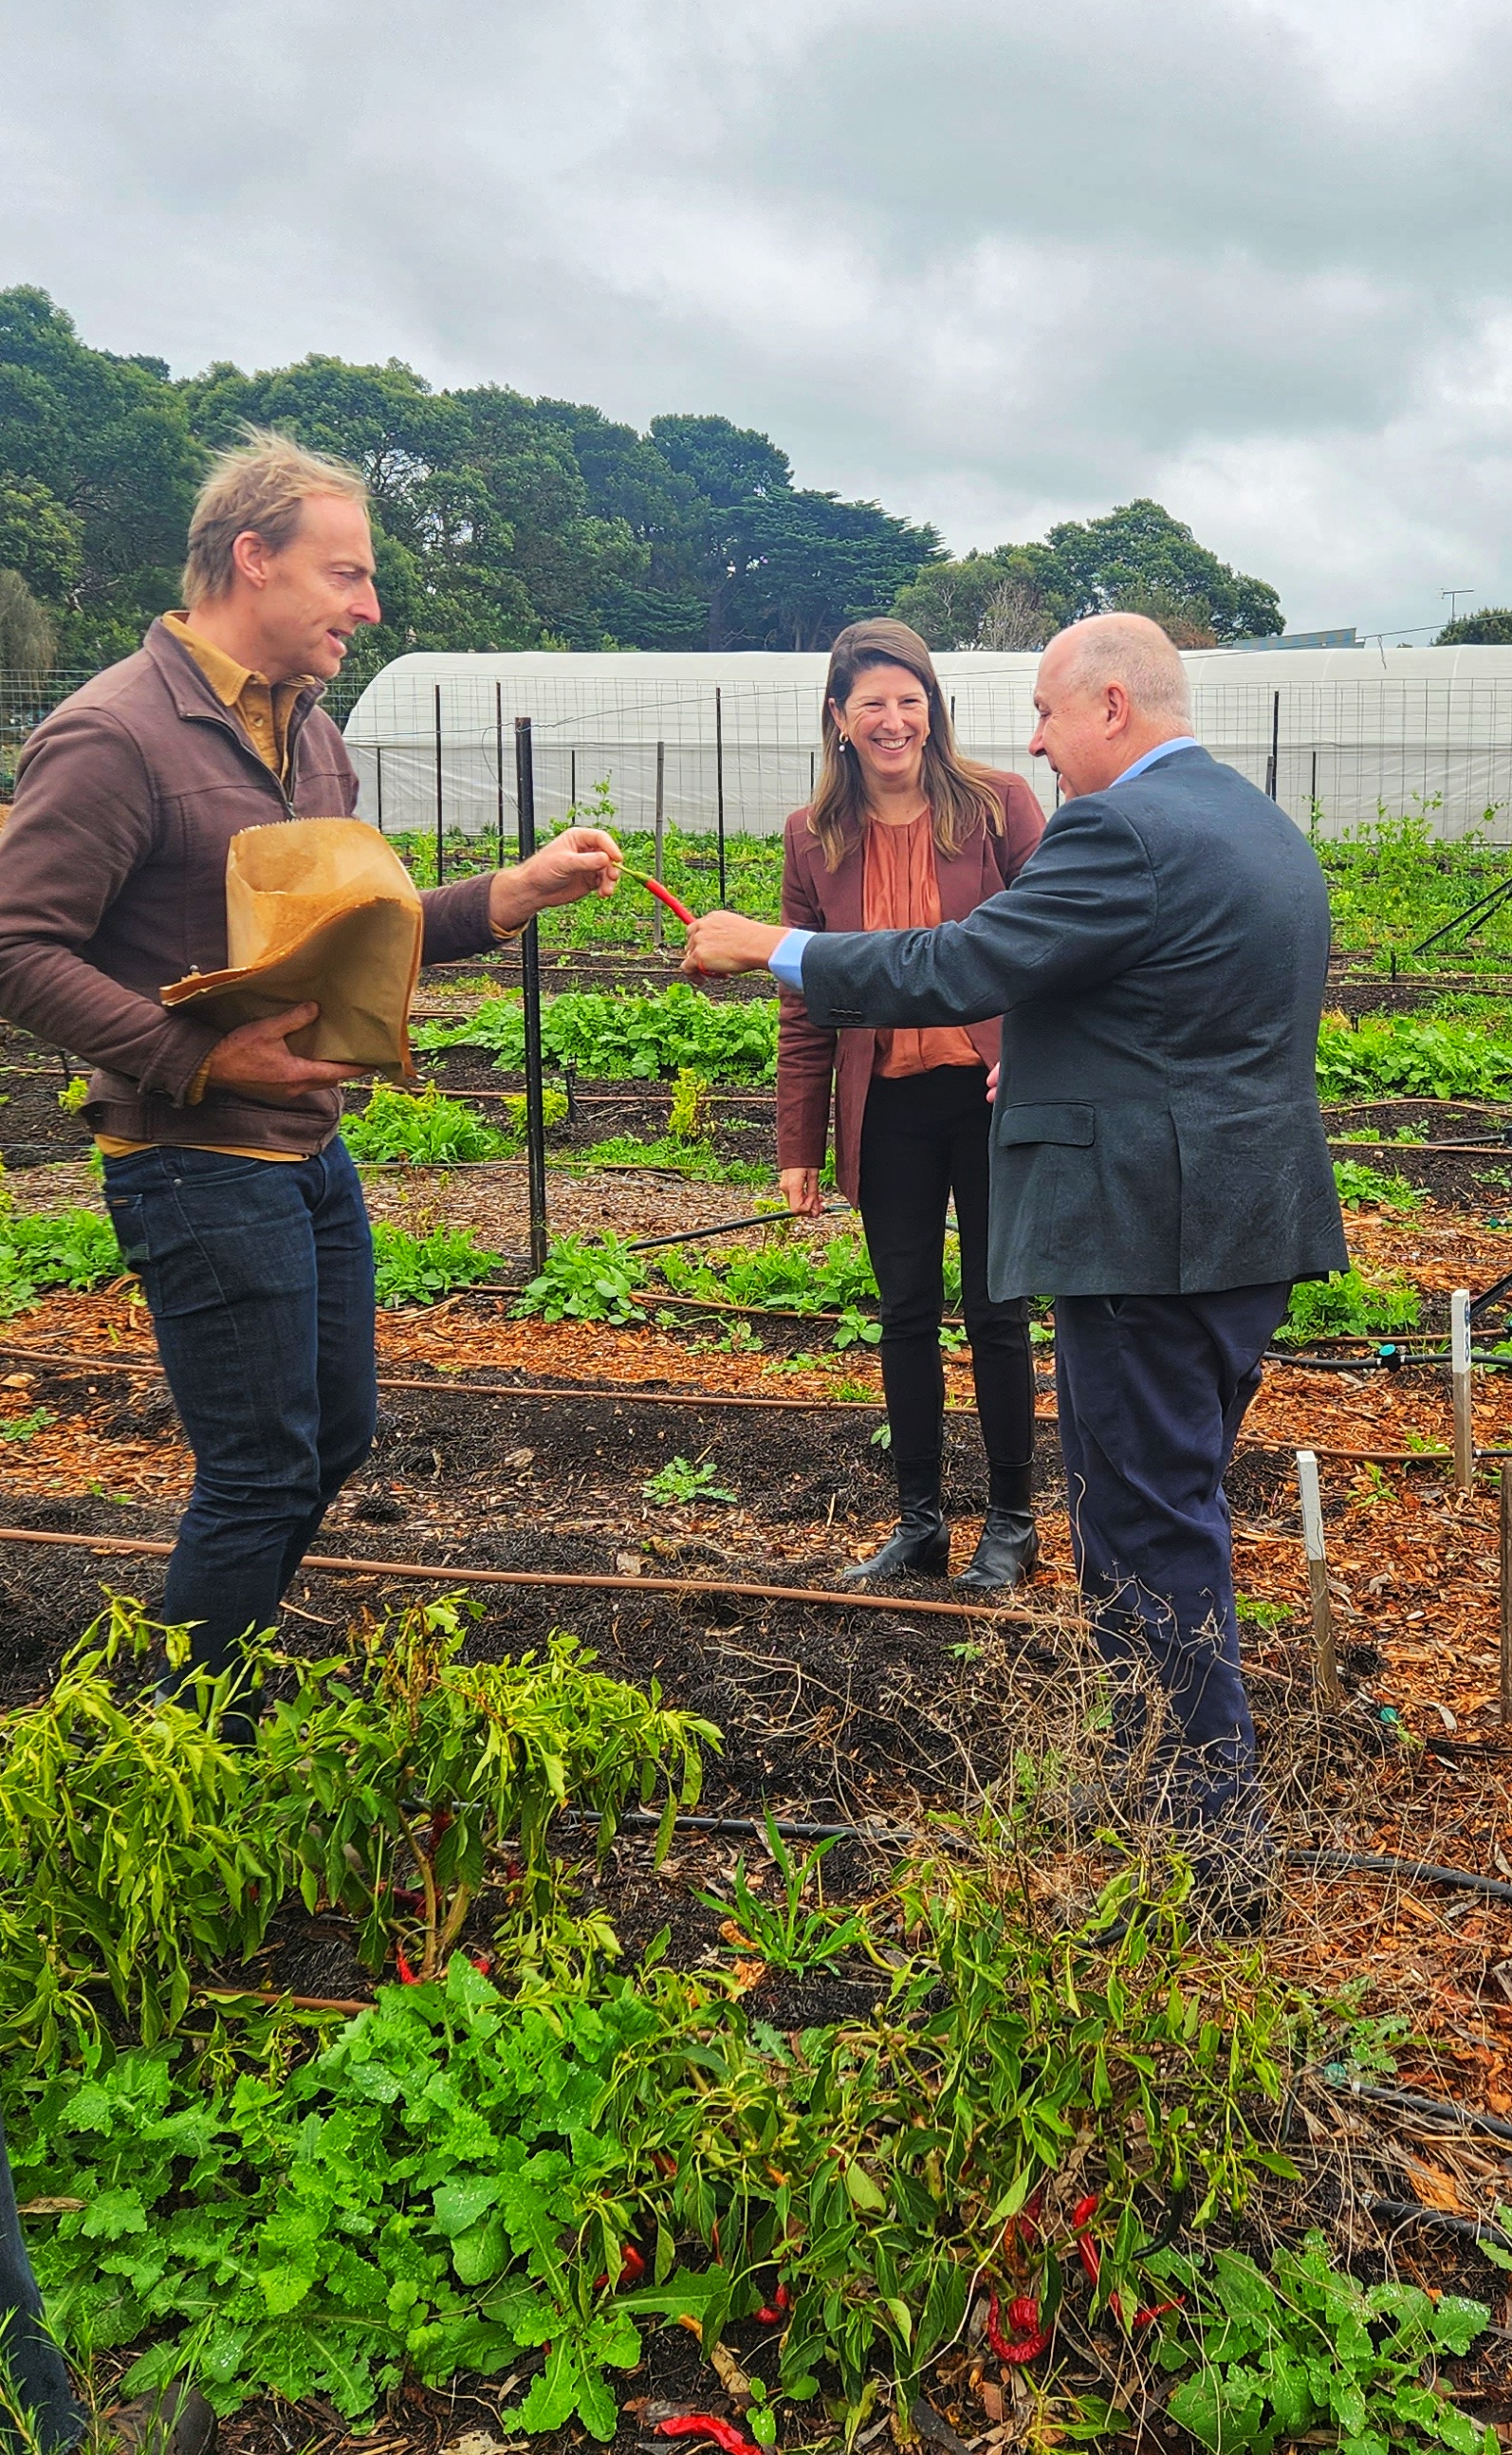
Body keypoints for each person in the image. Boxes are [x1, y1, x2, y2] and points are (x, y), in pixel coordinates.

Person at [679, 613, 1347, 1922]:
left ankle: (1211, 1857)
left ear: (1109, 704)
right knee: (1133, 1507)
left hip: (1148, 1236)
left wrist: (776, 947)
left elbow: (963, 961)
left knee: (1153, 1525)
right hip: (1231, 1223)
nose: (1030, 739)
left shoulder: (1122, 830)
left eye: (1045, 711)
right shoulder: (1250, 819)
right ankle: (1137, 1754)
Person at [0, 430, 621, 1703]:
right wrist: (194, 1051)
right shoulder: (114, 735)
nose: (369, 604)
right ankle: (181, 1736)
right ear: (251, 560)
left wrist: (512, 891)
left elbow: (368, 929)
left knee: (333, 1437)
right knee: (259, 1465)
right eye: (345, 574)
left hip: (306, 1153)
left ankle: (206, 1678)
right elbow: (15, 949)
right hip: (191, 1159)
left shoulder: (312, 736)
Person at [776, 619, 1043, 1590]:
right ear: (839, 720)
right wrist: (798, 1139)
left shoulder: (999, 805)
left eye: (908, 699)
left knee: (997, 1307)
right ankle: (919, 1522)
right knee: (903, 1314)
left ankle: (1012, 1523)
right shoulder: (814, 837)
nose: (893, 720)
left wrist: (1034, 1058)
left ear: (932, 708)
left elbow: (1056, 945)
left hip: (986, 1094)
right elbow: (804, 999)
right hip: (884, 1108)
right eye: (872, 704)